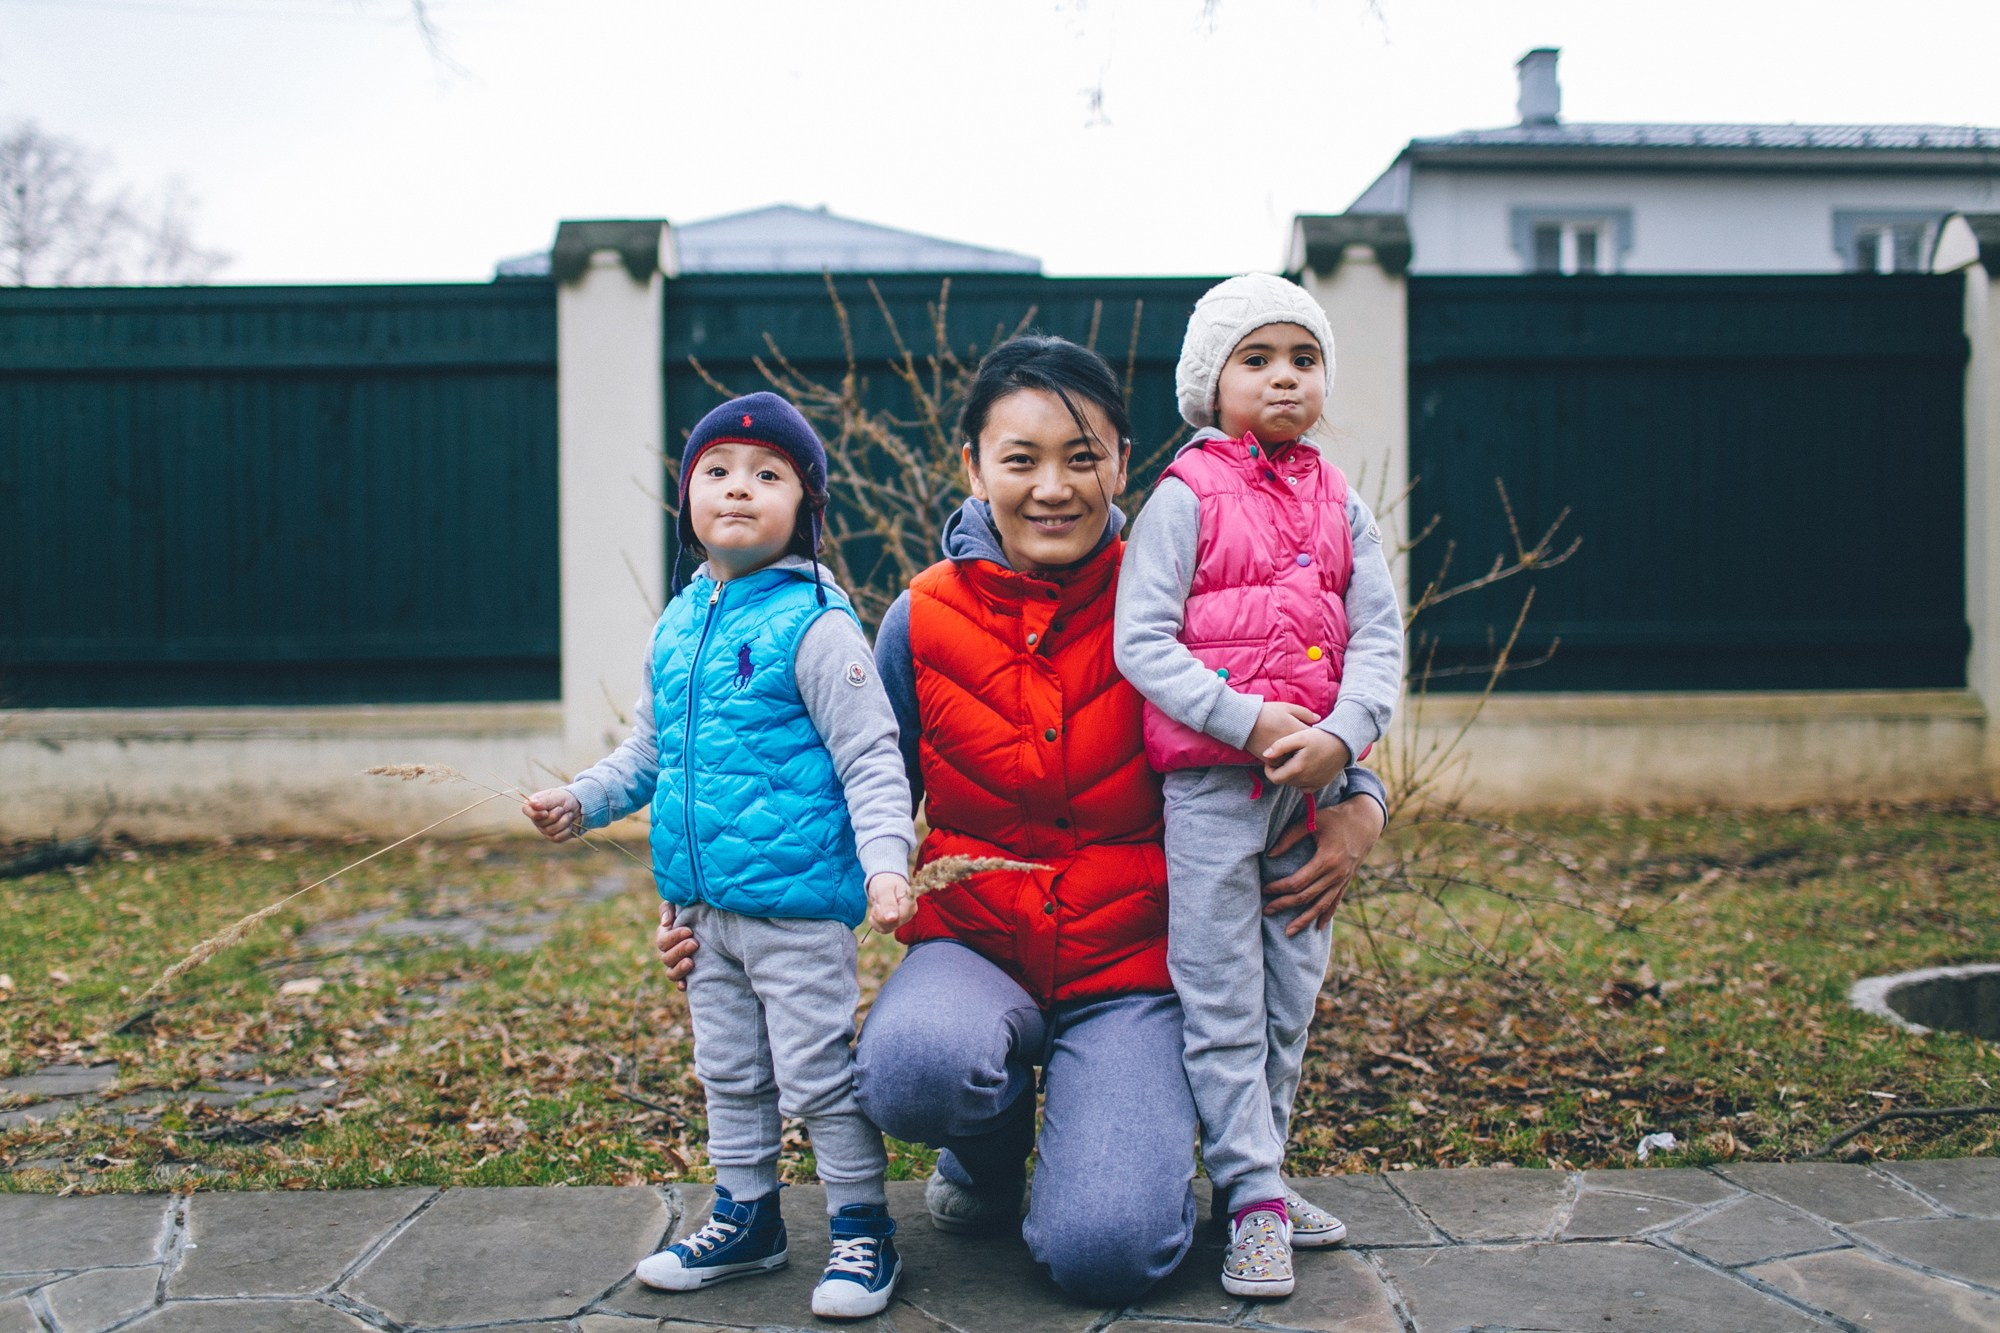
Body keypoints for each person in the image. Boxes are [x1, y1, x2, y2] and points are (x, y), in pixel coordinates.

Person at [849, 335, 1389, 1305]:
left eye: (1081, 455)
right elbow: (859, 780)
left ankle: (1110, 1141)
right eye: (1019, 459)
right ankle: (986, 1150)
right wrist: (709, 905)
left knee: (1107, 1253)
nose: (1051, 487)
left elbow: (1302, 686)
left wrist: (1362, 805)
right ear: (970, 465)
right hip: (975, 942)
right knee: (912, 1068)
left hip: (1133, 968)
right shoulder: (917, 619)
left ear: (1125, 463)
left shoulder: (1177, 593)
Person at [521, 391, 918, 1321]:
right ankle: (749, 1218)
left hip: (797, 909)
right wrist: (582, 799)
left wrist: (886, 862)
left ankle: (864, 1226)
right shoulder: (679, 625)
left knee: (817, 1070)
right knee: (729, 1070)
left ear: (805, 508)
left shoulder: (817, 625)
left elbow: (872, 754)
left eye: (768, 475)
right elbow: (648, 756)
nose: (739, 488)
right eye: (718, 471)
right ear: (688, 497)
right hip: (704, 912)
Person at [1114, 273, 1404, 1298]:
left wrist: (1343, 738)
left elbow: (1378, 636)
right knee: (1223, 996)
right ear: (1210, 382)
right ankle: (1250, 1194)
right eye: (1256, 359)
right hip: (1208, 793)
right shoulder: (1183, 497)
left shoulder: (1341, 500)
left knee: (1290, 992)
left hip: (1308, 794)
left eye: (1302, 358)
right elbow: (1138, 639)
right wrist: (1243, 718)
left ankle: (1259, 1178)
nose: (1283, 377)